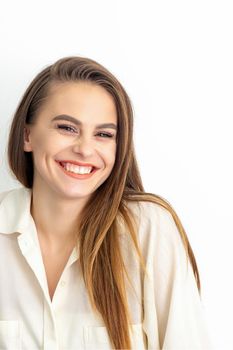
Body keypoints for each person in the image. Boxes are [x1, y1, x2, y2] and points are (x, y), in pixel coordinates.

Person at [0, 56, 211, 350]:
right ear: (27, 136)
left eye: (103, 134)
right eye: (67, 128)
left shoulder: (148, 229)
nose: (85, 149)